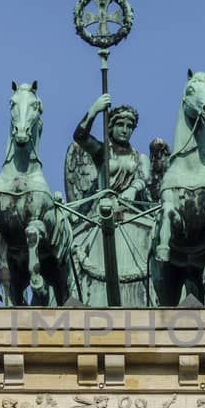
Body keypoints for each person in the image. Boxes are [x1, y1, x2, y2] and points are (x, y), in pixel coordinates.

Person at [64, 94, 164, 306]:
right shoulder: (102, 153)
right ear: (110, 127)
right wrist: (94, 110)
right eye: (120, 124)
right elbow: (80, 137)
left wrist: (132, 190)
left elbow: (143, 179)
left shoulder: (140, 158)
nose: (125, 129)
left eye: (129, 126)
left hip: (131, 214)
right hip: (102, 214)